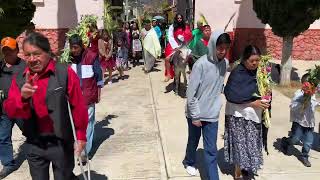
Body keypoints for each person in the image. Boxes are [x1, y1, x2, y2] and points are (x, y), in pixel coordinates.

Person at [4, 32, 88, 180]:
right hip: (34, 143)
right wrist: (22, 98)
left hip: (61, 142)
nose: (32, 59)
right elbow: (10, 110)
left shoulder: (64, 73)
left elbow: (78, 107)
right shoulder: (20, 79)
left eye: (37, 54)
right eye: (27, 55)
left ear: (47, 52)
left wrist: (81, 136)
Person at [182, 31, 231, 180]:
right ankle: (189, 161)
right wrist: (195, 116)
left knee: (211, 150)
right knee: (193, 140)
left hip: (212, 114)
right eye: (219, 47)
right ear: (212, 45)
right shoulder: (200, 65)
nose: (222, 51)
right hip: (195, 113)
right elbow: (191, 93)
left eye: (225, 47)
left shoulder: (225, 64)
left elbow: (218, 85)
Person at [224, 45, 269, 179]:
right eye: (252, 60)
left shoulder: (260, 73)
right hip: (237, 116)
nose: (255, 63)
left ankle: (246, 166)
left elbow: (264, 90)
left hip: (253, 116)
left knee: (251, 143)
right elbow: (231, 94)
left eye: (257, 60)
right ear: (244, 60)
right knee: (240, 144)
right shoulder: (237, 73)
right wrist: (252, 103)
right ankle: (237, 171)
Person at [69, 34, 104, 160]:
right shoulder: (68, 59)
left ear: (82, 46)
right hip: (73, 98)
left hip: (88, 95)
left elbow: (98, 75)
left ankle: (84, 152)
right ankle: (80, 145)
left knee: (88, 122)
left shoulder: (91, 56)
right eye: (72, 48)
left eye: (76, 47)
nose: (74, 50)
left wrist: (99, 93)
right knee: (76, 123)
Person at [281, 73, 319, 167]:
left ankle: (305, 156)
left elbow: (315, 104)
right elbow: (292, 106)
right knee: (295, 139)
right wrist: (303, 100)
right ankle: (286, 141)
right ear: (304, 84)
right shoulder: (299, 94)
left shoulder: (313, 95)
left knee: (308, 142)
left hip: (310, 123)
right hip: (299, 122)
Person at [0, 37, 25, 179]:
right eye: (5, 51)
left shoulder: (25, 66)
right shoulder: (0, 67)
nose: (7, 54)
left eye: (10, 51)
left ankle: (41, 153)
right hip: (4, 111)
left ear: (17, 51)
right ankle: (8, 164)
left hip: (21, 110)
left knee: (31, 132)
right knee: (3, 137)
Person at [164, 14, 192, 82]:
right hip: (174, 44)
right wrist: (175, 46)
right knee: (167, 59)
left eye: (180, 18)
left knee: (190, 56)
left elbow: (188, 35)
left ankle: (191, 71)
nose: (179, 19)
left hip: (183, 44)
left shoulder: (185, 26)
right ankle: (168, 74)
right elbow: (170, 37)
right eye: (178, 18)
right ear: (176, 19)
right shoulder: (172, 27)